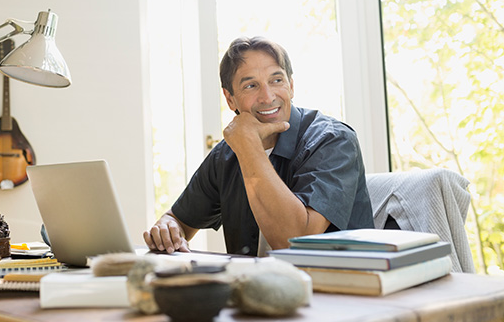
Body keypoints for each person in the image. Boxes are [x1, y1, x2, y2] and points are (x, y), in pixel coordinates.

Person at [143, 36, 374, 256]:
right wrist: (168, 227)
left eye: (276, 80)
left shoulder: (333, 141)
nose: (267, 96)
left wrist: (249, 149)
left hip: (336, 291)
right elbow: (178, 219)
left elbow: (294, 241)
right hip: (255, 290)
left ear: (291, 86)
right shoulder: (225, 155)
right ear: (230, 98)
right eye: (251, 86)